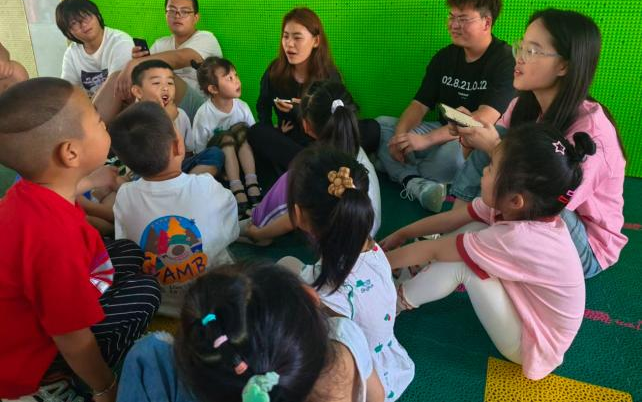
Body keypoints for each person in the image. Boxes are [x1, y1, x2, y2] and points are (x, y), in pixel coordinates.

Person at [383, 123, 594, 380]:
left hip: (533, 345)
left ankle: (389, 304)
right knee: (473, 231)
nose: (484, 170)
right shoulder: (519, 210)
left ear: (516, 200)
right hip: (529, 312)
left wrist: (378, 262)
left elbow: (437, 250)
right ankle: (413, 272)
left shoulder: (520, 238)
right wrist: (402, 234)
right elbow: (452, 220)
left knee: (462, 263)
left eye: (491, 168)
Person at [0, 78, 160, 401]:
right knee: (147, 292)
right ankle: (64, 382)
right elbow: (72, 336)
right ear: (71, 152)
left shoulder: (32, 190)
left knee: (129, 252)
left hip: (37, 306)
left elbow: (62, 193)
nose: (105, 123)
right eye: (98, 120)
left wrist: (88, 181)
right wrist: (105, 387)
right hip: (36, 358)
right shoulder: (53, 240)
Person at [448, 9, 627, 278]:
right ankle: (454, 231)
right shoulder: (522, 105)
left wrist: (495, 148)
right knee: (494, 135)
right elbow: (486, 168)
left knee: (500, 145)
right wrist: (470, 139)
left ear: (564, 66)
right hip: (535, 217)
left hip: (581, 245)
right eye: (520, 47)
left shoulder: (590, 133)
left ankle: (466, 244)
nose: (519, 57)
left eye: (532, 51)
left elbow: (549, 204)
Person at [117, 262, 385, 402]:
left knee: (149, 351)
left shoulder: (152, 360)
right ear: (310, 296)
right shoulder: (347, 337)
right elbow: (377, 396)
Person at [280, 147, 414, 401]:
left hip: (364, 378)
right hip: (392, 362)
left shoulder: (324, 294)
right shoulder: (372, 248)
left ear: (298, 215)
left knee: (285, 267)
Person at [376, 0, 515, 212]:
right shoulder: (444, 57)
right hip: (441, 130)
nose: (454, 25)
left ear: (486, 22)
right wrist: (401, 138)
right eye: (451, 16)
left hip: (470, 140)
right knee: (383, 126)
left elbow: (481, 121)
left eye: (463, 19)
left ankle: (403, 173)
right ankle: (417, 182)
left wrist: (425, 141)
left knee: (452, 154)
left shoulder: (505, 61)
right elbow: (419, 104)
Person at [109, 102, 239, 317]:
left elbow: (125, 242)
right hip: (209, 298)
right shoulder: (206, 185)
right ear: (178, 146)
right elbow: (231, 229)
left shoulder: (125, 195)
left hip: (159, 302)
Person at [241, 80, 381, 245]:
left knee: (290, 180)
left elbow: (296, 217)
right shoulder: (355, 151)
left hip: (337, 243)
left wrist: (258, 233)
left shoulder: (316, 169)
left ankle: (257, 223)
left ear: (306, 125)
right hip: (366, 238)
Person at [248, 7, 380, 175]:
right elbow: (263, 106)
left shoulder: (328, 74)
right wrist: (274, 131)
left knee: (372, 128)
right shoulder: (275, 71)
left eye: (297, 37)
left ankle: (308, 165)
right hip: (290, 140)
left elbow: (339, 116)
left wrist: (301, 109)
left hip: (322, 139)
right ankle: (321, 165)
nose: (289, 44)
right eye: (285, 36)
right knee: (256, 131)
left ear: (316, 41)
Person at [99, 0, 223, 123]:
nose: (178, 15)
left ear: (196, 17)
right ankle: (96, 127)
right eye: (172, 11)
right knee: (119, 76)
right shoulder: (161, 43)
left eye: (185, 11)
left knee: (159, 75)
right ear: (166, 15)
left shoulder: (206, 38)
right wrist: (138, 61)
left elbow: (180, 58)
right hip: (161, 100)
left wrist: (135, 64)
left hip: (199, 107)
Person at [130, 59, 224, 177]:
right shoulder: (133, 118)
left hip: (179, 169)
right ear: (138, 92)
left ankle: (185, 182)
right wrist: (167, 118)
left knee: (215, 153)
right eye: (156, 83)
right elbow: (144, 156)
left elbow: (188, 152)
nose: (165, 88)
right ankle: (182, 185)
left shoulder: (181, 114)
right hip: (150, 173)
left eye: (170, 83)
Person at [192, 57, 261, 218]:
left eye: (236, 75)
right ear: (213, 89)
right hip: (221, 166)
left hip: (244, 161)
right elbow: (200, 151)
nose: (237, 81)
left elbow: (254, 136)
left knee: (242, 130)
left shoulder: (242, 106)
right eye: (229, 78)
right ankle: (236, 189)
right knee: (225, 138)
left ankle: (252, 182)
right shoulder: (204, 114)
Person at [55, 0, 134, 111]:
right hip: (90, 108)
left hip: (123, 107)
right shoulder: (71, 53)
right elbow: (68, 91)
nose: (83, 24)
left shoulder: (120, 41)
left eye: (86, 17)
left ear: (98, 16)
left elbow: (117, 87)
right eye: (74, 23)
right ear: (68, 32)